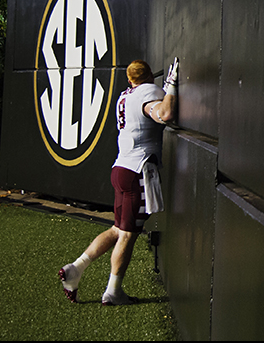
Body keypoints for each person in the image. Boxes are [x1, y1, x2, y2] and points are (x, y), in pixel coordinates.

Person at [58, 58, 178, 306]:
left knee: (117, 229)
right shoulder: (148, 92)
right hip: (137, 170)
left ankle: (76, 269)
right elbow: (164, 113)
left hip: (121, 168)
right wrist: (172, 87)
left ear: (129, 79)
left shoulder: (124, 95)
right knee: (127, 235)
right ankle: (113, 291)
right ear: (148, 77)